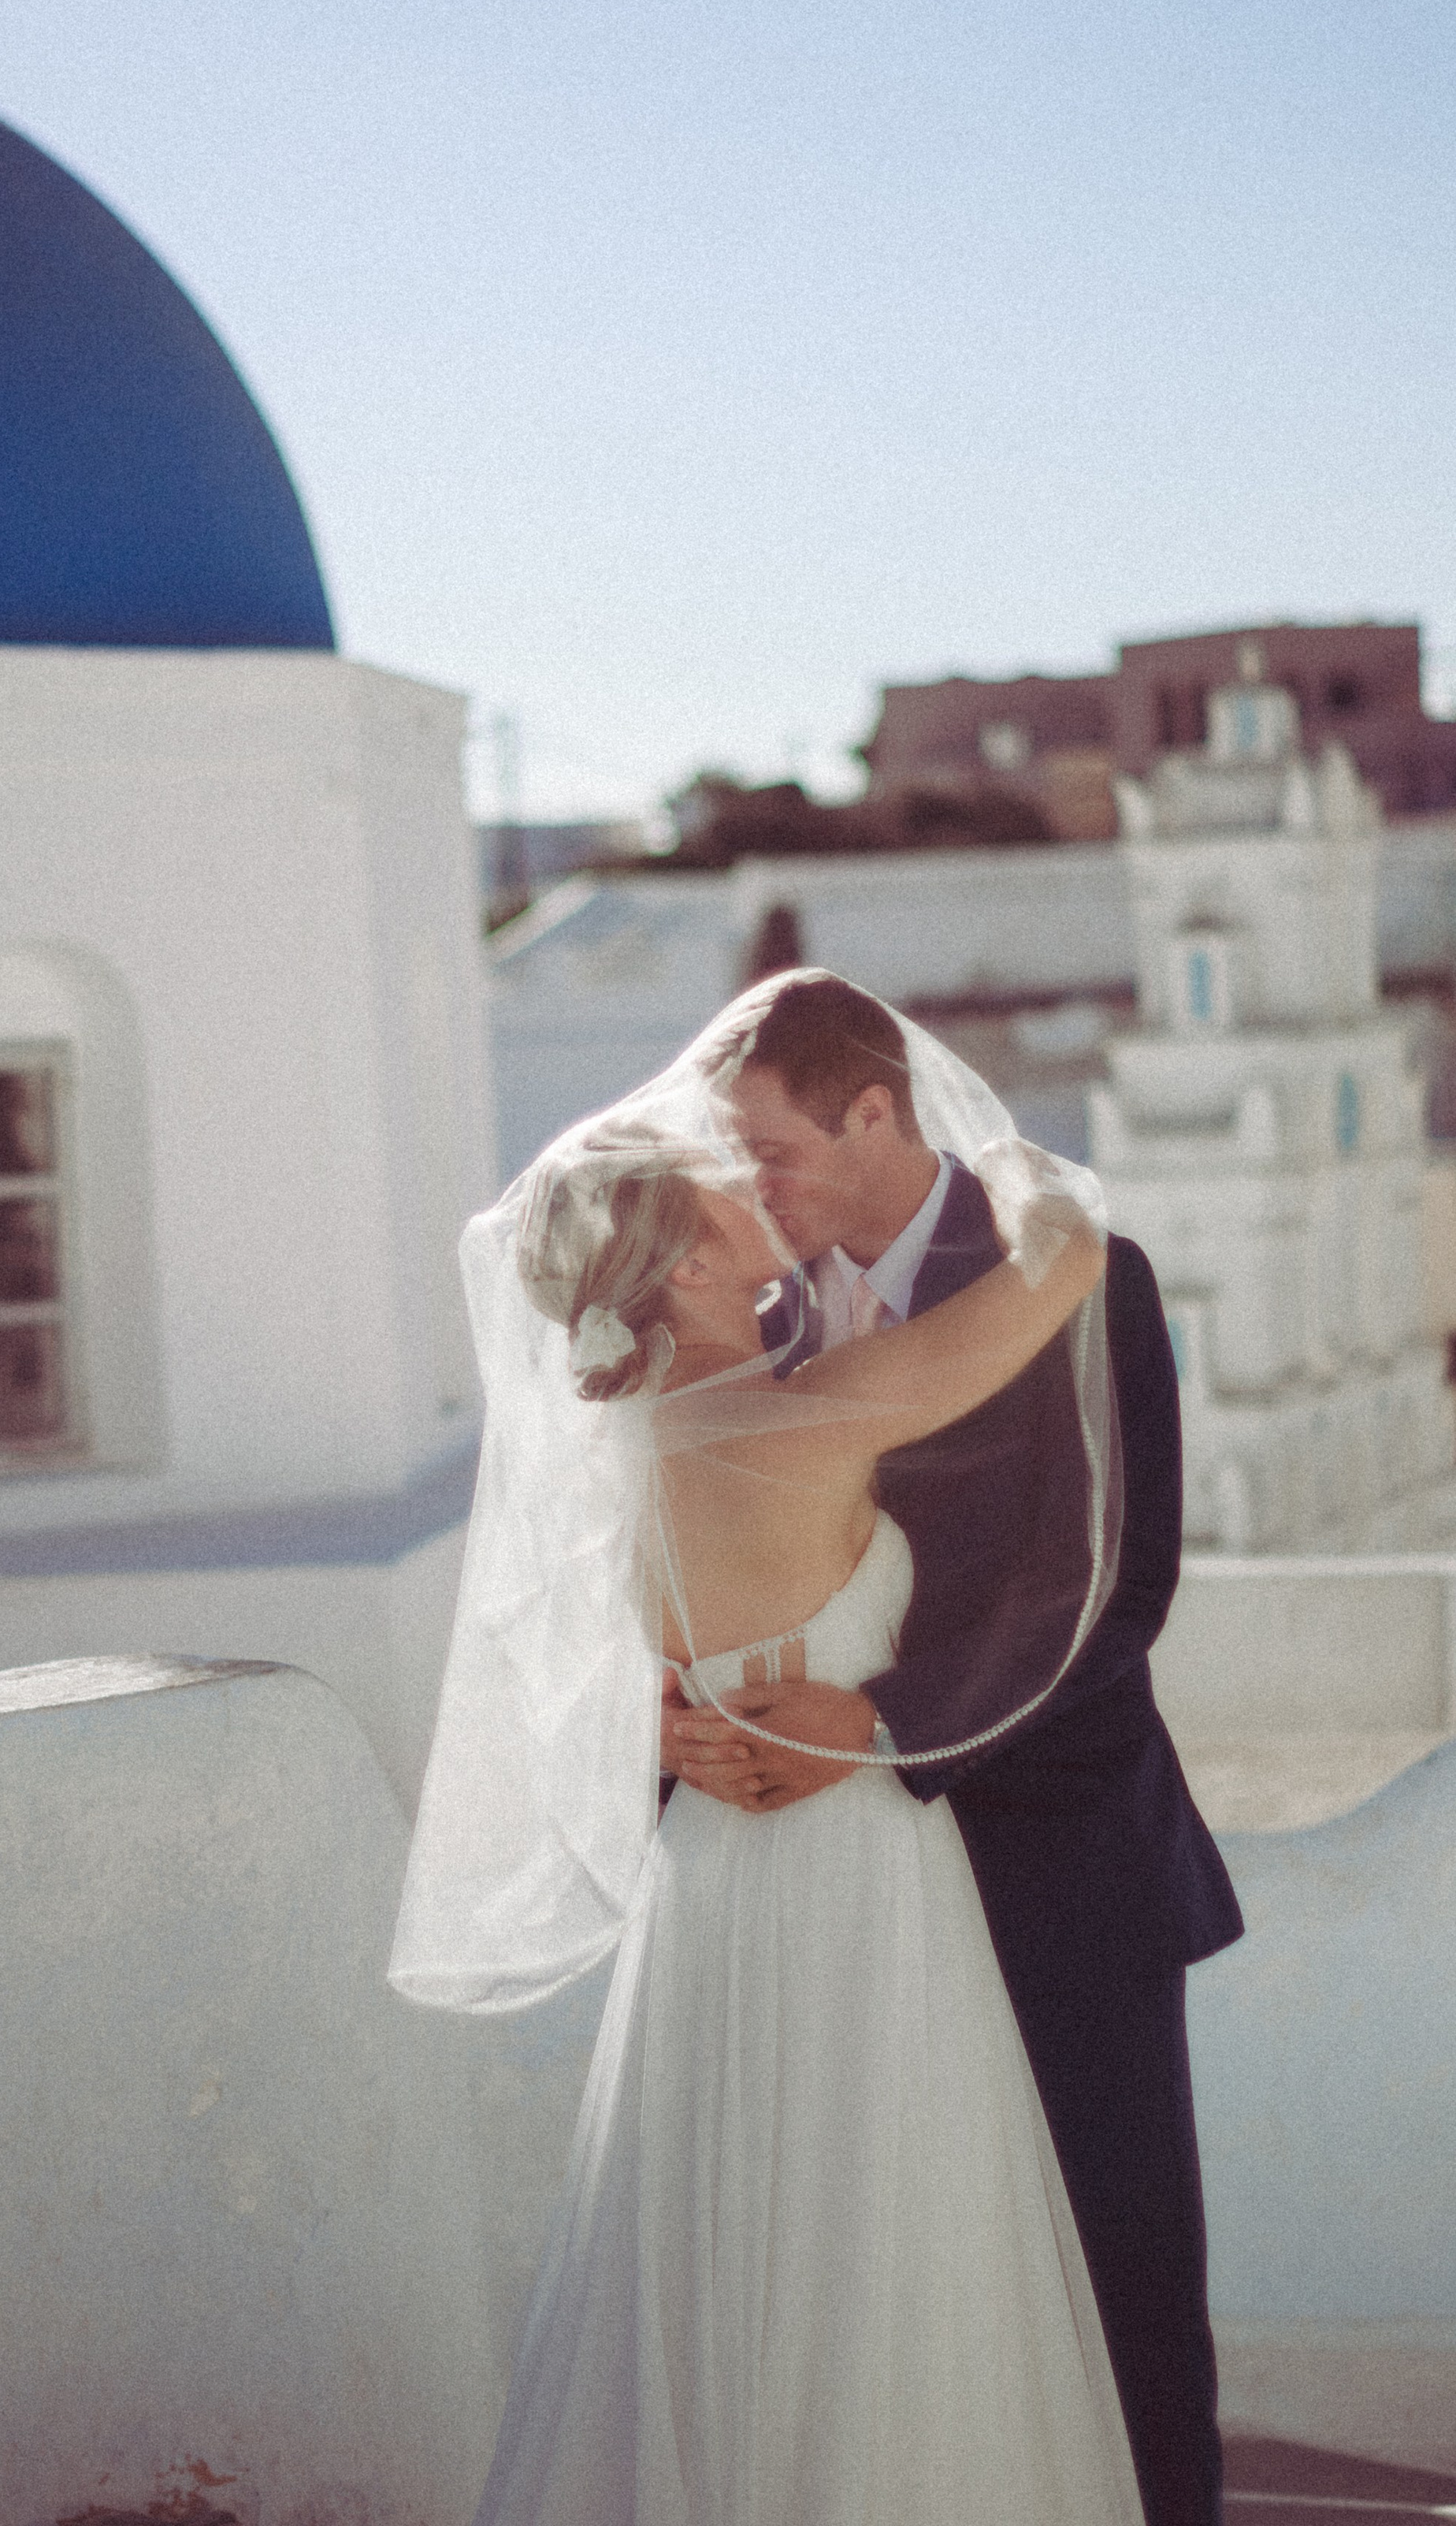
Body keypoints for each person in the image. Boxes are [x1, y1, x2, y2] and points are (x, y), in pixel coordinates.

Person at [392, 986, 1165, 2526]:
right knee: (876, 2238)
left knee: (723, 2245)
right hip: (849, 1873)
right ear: (676, 1256)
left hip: (714, 1888)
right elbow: (1054, 1272)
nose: (750, 1193)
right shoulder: (787, 1420)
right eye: (717, 1189)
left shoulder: (653, 1430)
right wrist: (1005, 1159)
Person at [663, 971, 1242, 2526]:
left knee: (1114, 2287)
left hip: (1055, 1871)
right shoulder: (742, 1322)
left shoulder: (1074, 1276)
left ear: (875, 1112)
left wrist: (875, 1724)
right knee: (880, 2308)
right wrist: (683, 1720)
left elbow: (1117, 1589)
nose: (741, 1188)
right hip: (833, 1911)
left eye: (765, 1149)